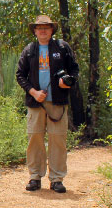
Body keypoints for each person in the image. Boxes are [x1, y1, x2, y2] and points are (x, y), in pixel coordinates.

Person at [15, 15, 80, 193]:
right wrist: (33, 92)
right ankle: (35, 177)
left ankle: (57, 179)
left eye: (46, 27)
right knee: (34, 138)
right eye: (39, 27)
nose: (43, 30)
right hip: (36, 103)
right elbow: (20, 74)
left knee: (57, 139)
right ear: (35, 31)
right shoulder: (29, 50)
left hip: (57, 102)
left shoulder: (62, 47)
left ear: (52, 30)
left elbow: (74, 69)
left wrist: (68, 82)